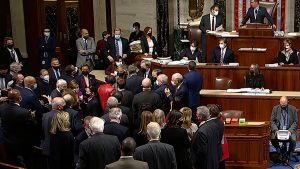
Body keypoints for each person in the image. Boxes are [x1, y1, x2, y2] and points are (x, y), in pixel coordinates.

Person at [0, 89, 36, 167]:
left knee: (11, 163)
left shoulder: (2, 108)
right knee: (27, 163)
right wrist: (31, 116)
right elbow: (33, 125)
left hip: (7, 142)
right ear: (19, 98)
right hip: (22, 144)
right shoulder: (24, 112)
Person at [191, 104, 224, 169]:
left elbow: (202, 151)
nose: (196, 115)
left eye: (197, 114)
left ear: (200, 116)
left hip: (204, 164)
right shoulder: (214, 125)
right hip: (213, 160)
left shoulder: (202, 131)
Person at [271, 96, 298, 162]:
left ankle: (289, 154)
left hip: (289, 130)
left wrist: (290, 131)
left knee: (293, 140)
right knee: (273, 139)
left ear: (287, 102)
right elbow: (272, 121)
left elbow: (295, 122)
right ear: (279, 102)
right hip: (278, 130)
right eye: (281, 104)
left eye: (284, 104)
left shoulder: (293, 109)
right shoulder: (275, 108)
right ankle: (280, 152)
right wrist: (276, 130)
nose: (283, 105)